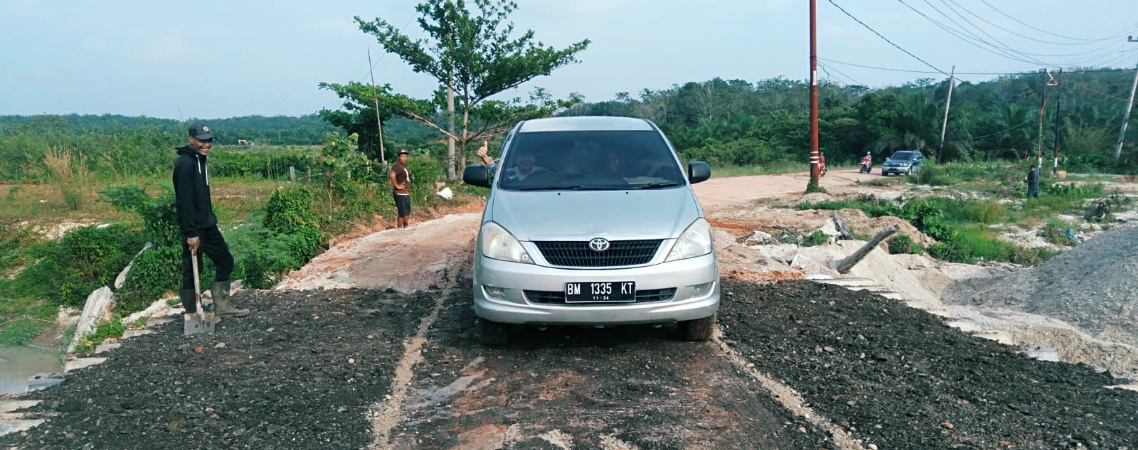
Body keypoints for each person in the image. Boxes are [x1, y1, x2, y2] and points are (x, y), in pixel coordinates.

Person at [173, 123, 248, 319]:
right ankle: (192, 314)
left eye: (208, 140)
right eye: (202, 140)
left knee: (225, 261)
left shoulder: (200, 160)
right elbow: (184, 202)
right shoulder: (185, 164)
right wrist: (191, 233)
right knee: (192, 268)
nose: (206, 144)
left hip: (208, 225)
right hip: (194, 228)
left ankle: (222, 306)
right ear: (191, 139)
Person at [389, 149, 412, 228]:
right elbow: (392, 175)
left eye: (405, 156)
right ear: (398, 157)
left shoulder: (402, 167)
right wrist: (397, 186)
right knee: (402, 213)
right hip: (400, 193)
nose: (404, 158)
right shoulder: (397, 166)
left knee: (406, 211)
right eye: (402, 156)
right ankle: (400, 229)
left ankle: (405, 225)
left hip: (405, 192)